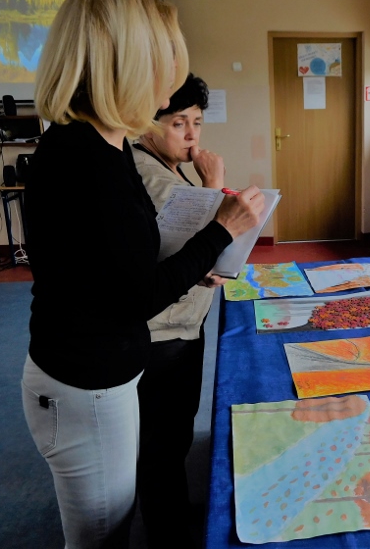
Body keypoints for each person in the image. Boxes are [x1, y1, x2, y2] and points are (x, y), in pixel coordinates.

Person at [20, 0, 264, 549]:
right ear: (127, 65)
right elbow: (137, 296)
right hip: (85, 381)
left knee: (123, 509)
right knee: (102, 535)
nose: (172, 81)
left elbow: (126, 267)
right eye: (164, 59)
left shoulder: (99, 148)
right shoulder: (87, 161)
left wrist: (201, 248)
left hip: (100, 372)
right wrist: (222, 230)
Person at [130, 73, 225, 546]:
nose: (191, 135)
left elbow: (184, 247)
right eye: (178, 123)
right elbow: (211, 240)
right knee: (164, 436)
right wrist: (216, 184)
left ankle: (170, 507)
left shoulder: (162, 164)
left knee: (175, 429)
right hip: (164, 332)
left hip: (181, 322)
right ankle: (165, 528)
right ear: (148, 124)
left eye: (197, 123)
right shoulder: (149, 173)